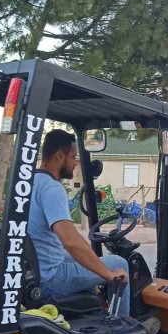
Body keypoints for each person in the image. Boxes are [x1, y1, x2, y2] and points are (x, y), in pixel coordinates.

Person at [28, 130, 135, 317]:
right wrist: (108, 274)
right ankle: (123, 325)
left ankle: (94, 311)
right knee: (119, 263)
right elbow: (70, 241)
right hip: (49, 280)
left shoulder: (29, 182)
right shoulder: (52, 188)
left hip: (33, 271)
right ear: (59, 156)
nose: (76, 163)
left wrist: (94, 263)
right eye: (73, 157)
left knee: (83, 259)